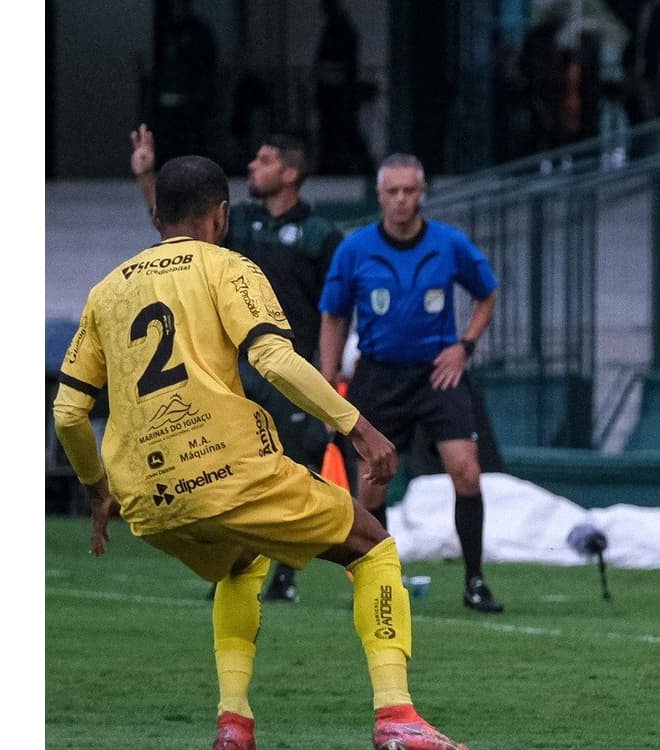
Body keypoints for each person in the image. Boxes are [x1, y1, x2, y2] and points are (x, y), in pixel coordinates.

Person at [51, 155, 467, 750]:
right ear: (220, 215)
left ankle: (233, 724)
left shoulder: (105, 292)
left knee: (241, 561)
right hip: (227, 469)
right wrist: (358, 428)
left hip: (145, 496)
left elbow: (67, 412)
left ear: (159, 215)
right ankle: (396, 715)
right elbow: (271, 359)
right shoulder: (228, 267)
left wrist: (96, 490)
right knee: (372, 546)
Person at [132, 124, 342, 603]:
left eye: (265, 160)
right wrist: (148, 177)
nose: (252, 165)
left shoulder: (322, 235)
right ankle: (235, 568)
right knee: (231, 468)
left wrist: (329, 371)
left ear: (290, 173)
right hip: (235, 369)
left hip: (290, 368)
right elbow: (175, 231)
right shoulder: (238, 222)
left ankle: (285, 575)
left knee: (293, 468)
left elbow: (337, 307)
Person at [318, 153, 505, 614]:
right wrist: (326, 380)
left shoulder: (449, 244)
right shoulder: (355, 249)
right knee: (372, 481)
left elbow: (487, 294)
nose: (402, 200)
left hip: (438, 372)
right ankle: (377, 581)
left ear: (422, 194)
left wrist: (465, 345)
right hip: (378, 374)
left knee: (466, 468)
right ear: (380, 196)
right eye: (393, 192)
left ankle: (475, 581)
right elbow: (334, 315)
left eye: (410, 191)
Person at [150, 0, 218, 165]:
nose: (177, 9)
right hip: (167, 100)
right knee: (168, 146)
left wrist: (201, 95)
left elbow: (207, 65)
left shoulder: (199, 32)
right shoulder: (165, 31)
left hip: (191, 101)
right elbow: (159, 65)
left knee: (192, 147)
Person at [314, 0, 373, 175]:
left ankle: (347, 163)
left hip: (337, 95)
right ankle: (339, 163)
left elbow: (342, 63)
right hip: (333, 94)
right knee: (336, 131)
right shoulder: (336, 28)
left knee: (340, 131)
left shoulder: (340, 29)